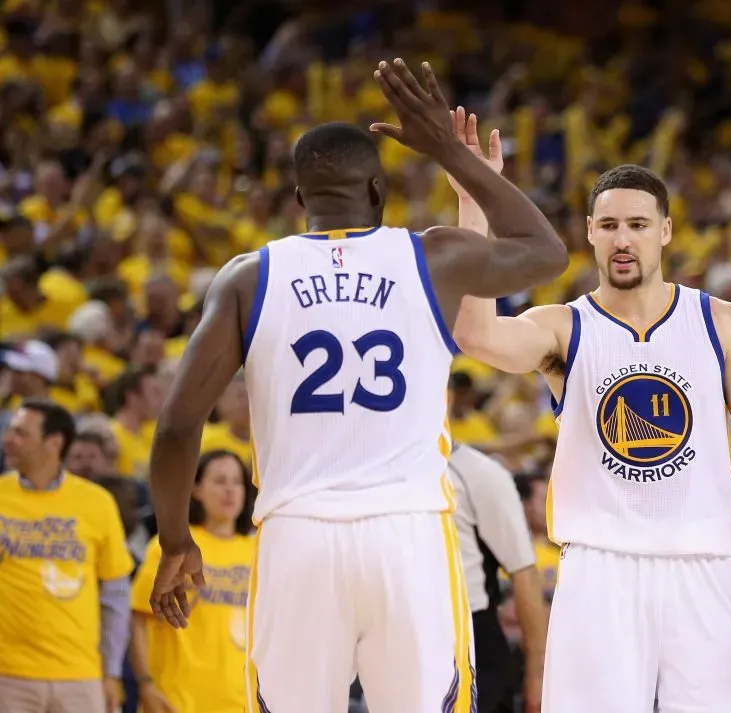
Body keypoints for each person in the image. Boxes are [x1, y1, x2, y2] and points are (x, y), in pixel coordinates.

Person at [146, 58, 568, 713]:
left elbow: (176, 426)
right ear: (378, 190)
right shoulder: (433, 257)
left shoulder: (248, 277)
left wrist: (176, 541)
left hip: (297, 534)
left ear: (298, 199)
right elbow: (546, 252)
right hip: (408, 536)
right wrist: (451, 153)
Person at [450, 111, 731, 712]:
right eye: (610, 225)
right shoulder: (564, 327)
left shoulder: (720, 322)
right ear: (590, 233)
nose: (624, 238)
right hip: (600, 571)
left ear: (666, 231)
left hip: (704, 565)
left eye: (639, 225)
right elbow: (478, 336)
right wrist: (475, 200)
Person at [0, 399, 134, 713]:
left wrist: (111, 672)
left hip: (81, 675)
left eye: (21, 432)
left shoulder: (97, 503)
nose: (8, 439)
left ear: (54, 443)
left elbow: (115, 596)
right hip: (8, 675)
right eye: (9, 431)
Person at [131, 450, 255, 713]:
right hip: (177, 700)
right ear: (196, 489)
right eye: (220, 481)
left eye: (237, 482)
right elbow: (138, 619)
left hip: (240, 701)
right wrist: (145, 684)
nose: (230, 490)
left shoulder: (259, 552)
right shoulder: (173, 547)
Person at [446, 443, 548, 713]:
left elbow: (523, 571)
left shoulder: (477, 472)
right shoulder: (376, 468)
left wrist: (536, 678)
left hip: (469, 639)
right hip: (398, 634)